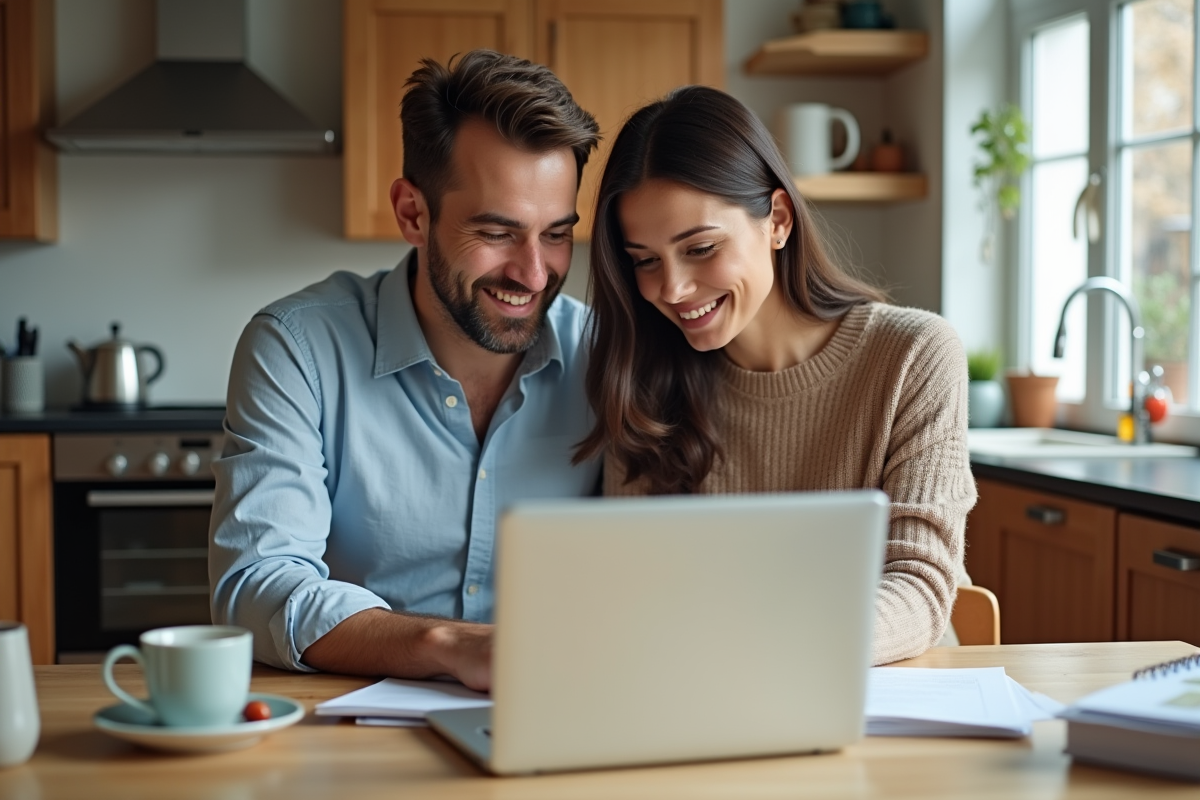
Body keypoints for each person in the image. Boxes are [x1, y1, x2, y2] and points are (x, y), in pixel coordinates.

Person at [209, 50, 601, 689]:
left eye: (556, 233)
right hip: (350, 725)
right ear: (413, 213)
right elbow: (256, 584)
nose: (534, 273)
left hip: (557, 709)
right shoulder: (297, 348)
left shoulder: (605, 355)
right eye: (498, 232)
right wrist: (450, 646)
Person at [576, 86, 977, 665]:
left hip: (894, 695)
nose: (671, 288)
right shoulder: (646, 380)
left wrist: (769, 646)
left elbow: (918, 586)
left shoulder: (914, 355)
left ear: (778, 221)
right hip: (718, 693)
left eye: (701, 248)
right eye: (644, 260)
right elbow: (640, 593)